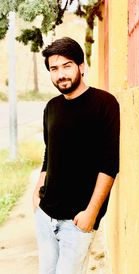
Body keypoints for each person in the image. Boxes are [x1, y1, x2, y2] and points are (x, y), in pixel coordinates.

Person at [32, 37, 120, 274]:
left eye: (67, 65)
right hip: (46, 217)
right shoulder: (51, 107)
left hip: (77, 222)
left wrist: (91, 215)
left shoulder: (105, 103)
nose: (60, 74)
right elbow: (48, 154)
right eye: (54, 68)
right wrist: (37, 194)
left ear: (81, 66)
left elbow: (109, 165)